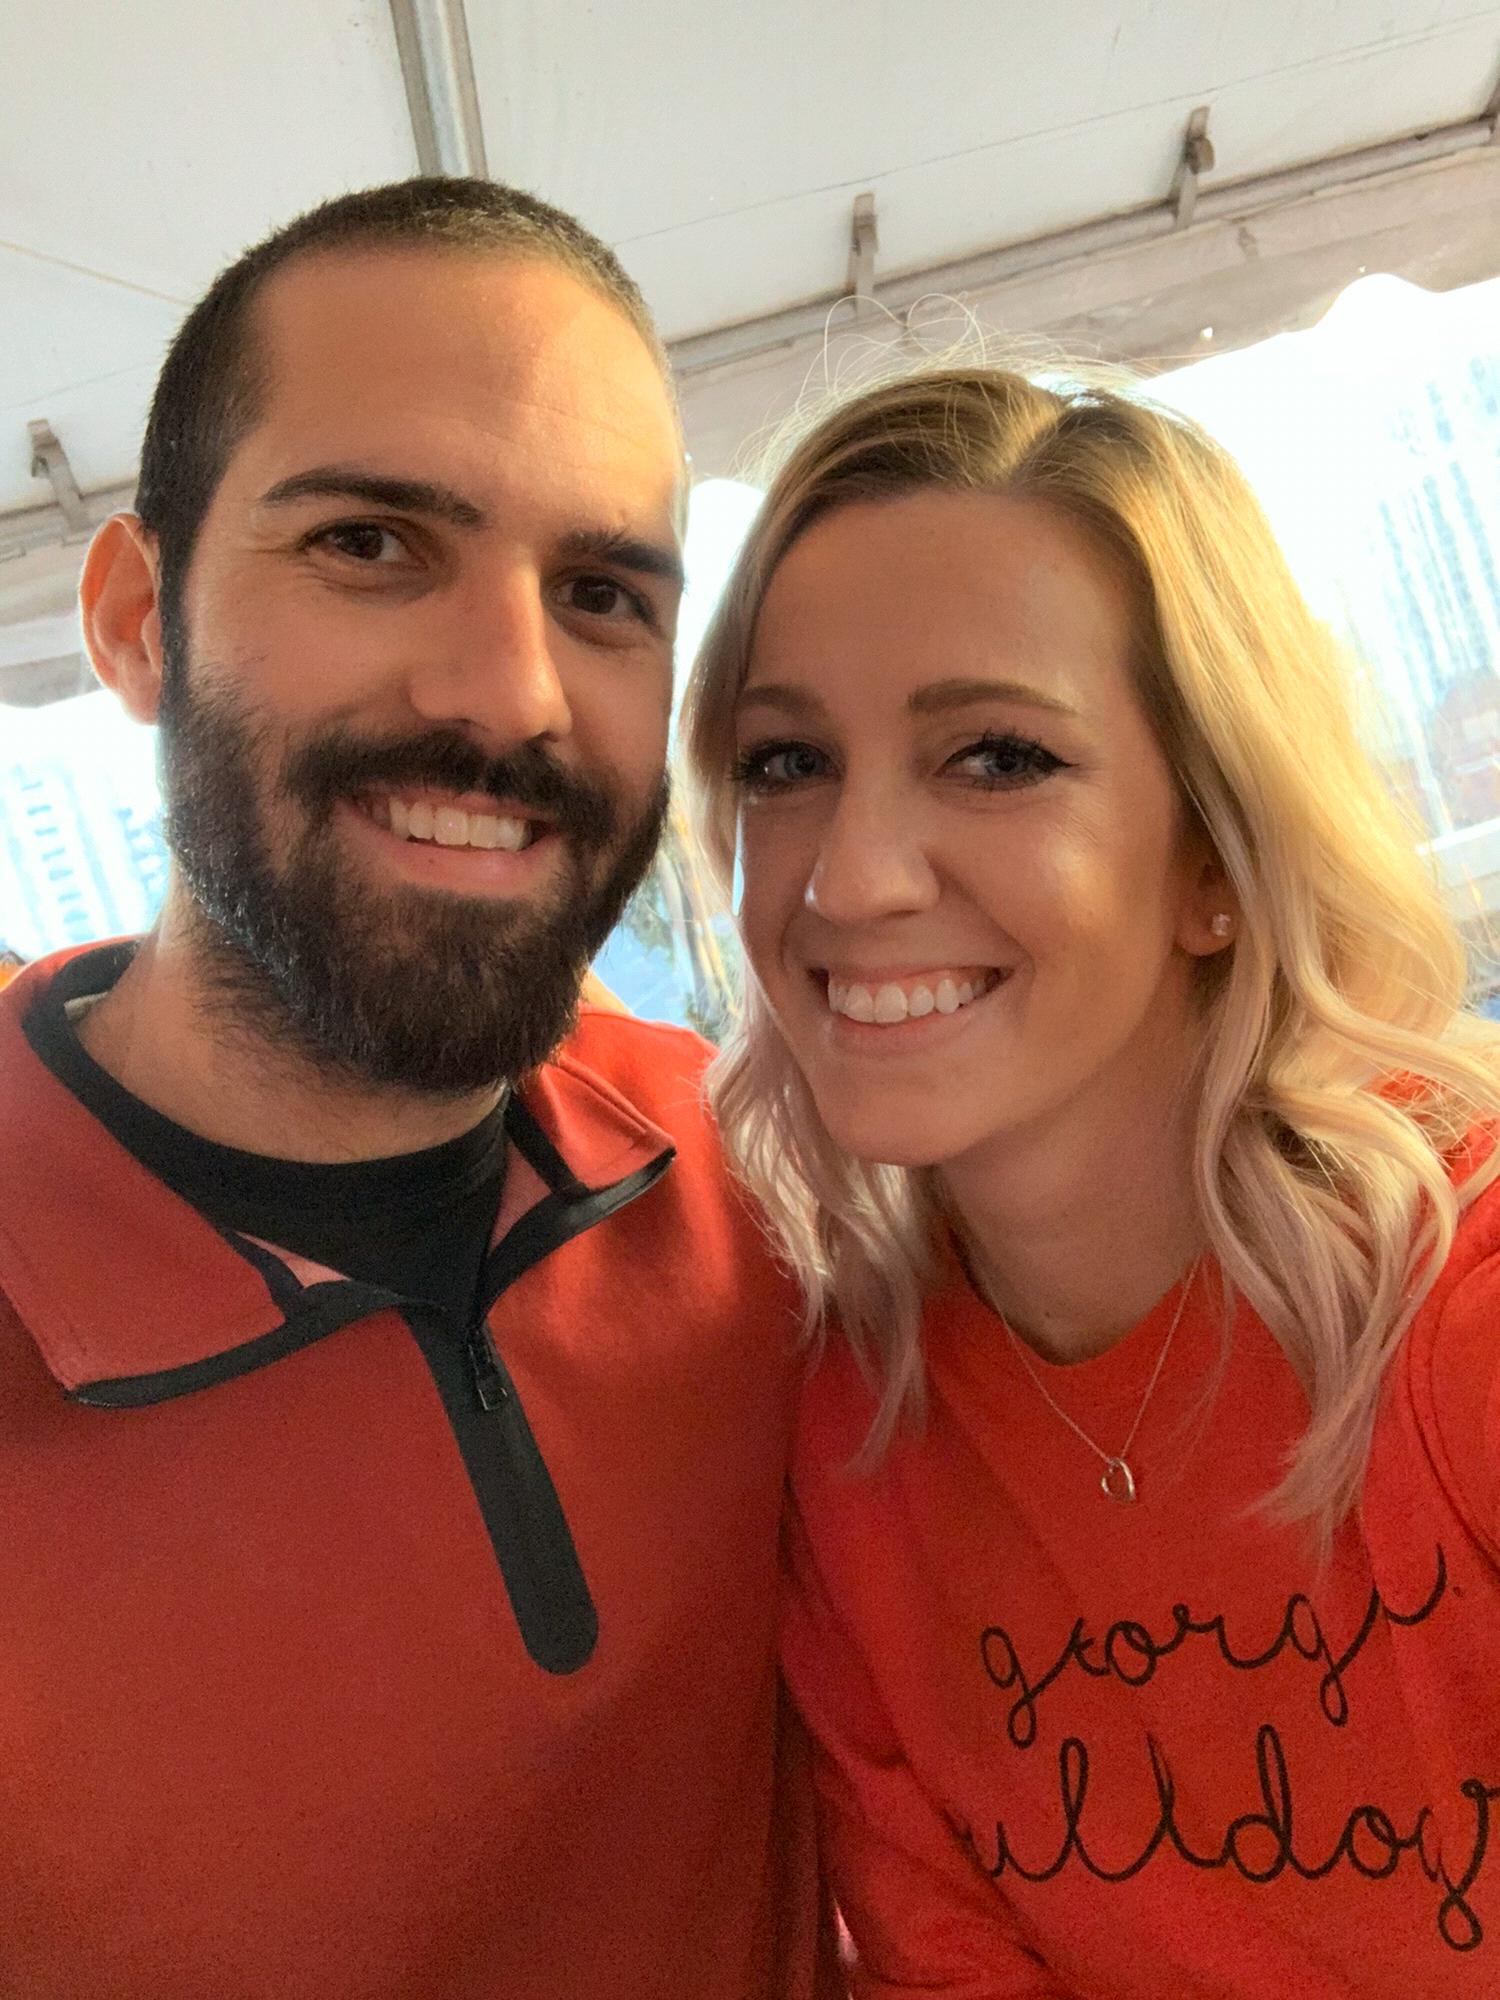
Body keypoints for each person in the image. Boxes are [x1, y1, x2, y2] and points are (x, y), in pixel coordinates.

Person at [0, 178, 836, 2000]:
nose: (510, 694)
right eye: (371, 543)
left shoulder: (779, 1190)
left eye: (601, 593)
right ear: (138, 621)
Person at [683, 364, 1500, 1996]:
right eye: (784, 764)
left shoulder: (1458, 1305)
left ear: (1213, 856)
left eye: (996, 757)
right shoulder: (847, 1446)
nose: (849, 878)